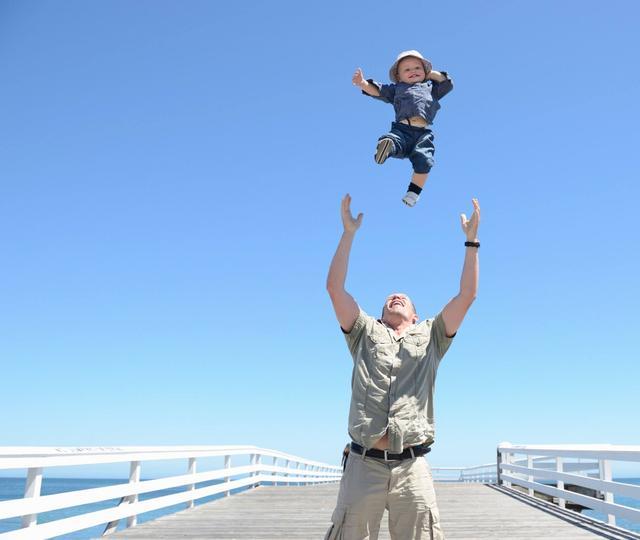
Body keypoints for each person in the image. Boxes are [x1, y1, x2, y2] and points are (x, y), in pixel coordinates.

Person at [324, 194, 480, 539]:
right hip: (364, 464)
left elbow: (466, 295)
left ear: (415, 315)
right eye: (389, 297)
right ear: (380, 314)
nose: (395, 295)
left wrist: (471, 241)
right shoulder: (364, 332)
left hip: (413, 466)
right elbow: (335, 289)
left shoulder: (433, 334)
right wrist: (348, 233)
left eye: (403, 297)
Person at [352, 50, 453, 207]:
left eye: (417, 68)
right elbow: (378, 91)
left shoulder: (431, 88)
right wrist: (363, 83)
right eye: (407, 69)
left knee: (425, 161)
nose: (413, 71)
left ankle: (413, 193)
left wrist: (429, 73)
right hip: (402, 129)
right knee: (395, 141)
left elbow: (446, 82)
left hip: (423, 135)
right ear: (398, 77)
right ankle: (386, 147)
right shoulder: (397, 89)